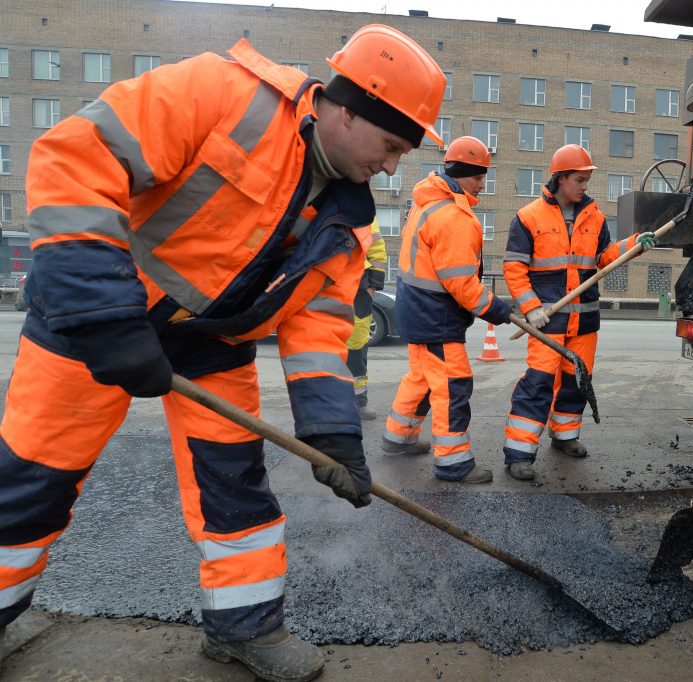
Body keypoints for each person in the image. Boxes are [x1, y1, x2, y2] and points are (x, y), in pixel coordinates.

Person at [0, 24, 446, 682]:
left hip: (210, 345)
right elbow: (73, 157)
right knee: (33, 482)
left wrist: (333, 438)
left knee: (235, 491)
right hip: (92, 322)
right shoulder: (221, 94)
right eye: (389, 146)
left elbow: (317, 332)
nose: (390, 167)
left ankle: (246, 628)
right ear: (348, 109)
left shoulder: (349, 224)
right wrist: (104, 313)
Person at [501, 144, 655, 480]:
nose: (585, 186)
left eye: (587, 179)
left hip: (584, 320)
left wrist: (634, 244)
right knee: (538, 383)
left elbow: (605, 258)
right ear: (560, 179)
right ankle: (519, 453)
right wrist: (531, 308)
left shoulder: (595, 218)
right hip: (547, 321)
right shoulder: (528, 218)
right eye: (579, 179)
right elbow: (514, 267)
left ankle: (565, 436)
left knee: (577, 381)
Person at [383, 136, 511, 483]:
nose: (482, 183)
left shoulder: (427, 202)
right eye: (478, 176)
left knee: (421, 379)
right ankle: (453, 463)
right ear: (461, 173)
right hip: (435, 318)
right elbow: (461, 284)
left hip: (416, 313)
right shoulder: (454, 216)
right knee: (453, 386)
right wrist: (498, 310)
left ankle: (398, 436)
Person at [345, 217, 387, 421]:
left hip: (357, 290)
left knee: (357, 345)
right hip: (323, 287)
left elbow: (377, 249)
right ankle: (329, 406)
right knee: (323, 351)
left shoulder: (363, 213)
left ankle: (359, 403)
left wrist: (372, 287)